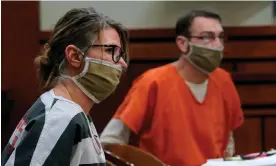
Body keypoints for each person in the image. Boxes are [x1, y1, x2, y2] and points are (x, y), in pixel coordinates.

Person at [100, 10, 244, 166]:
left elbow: (228, 141)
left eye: (220, 37)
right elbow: (109, 142)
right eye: (206, 37)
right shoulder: (152, 82)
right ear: (182, 43)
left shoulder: (224, 81)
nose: (217, 45)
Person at [2, 7, 129, 166]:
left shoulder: (69, 112)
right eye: (111, 50)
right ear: (75, 56)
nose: (122, 64)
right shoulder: (59, 119)